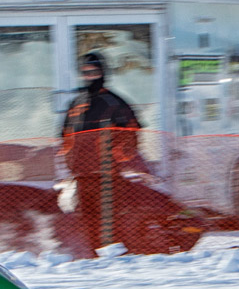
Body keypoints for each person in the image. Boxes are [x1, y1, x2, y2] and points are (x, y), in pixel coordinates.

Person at [60, 51, 199, 256]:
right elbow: (65, 135)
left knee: (110, 220)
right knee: (88, 221)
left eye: (94, 71)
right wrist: (68, 158)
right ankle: (94, 257)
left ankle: (117, 255)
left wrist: (119, 155)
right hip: (81, 176)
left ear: (102, 73)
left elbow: (132, 131)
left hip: (107, 176)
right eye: (86, 72)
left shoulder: (114, 102)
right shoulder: (76, 104)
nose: (90, 76)